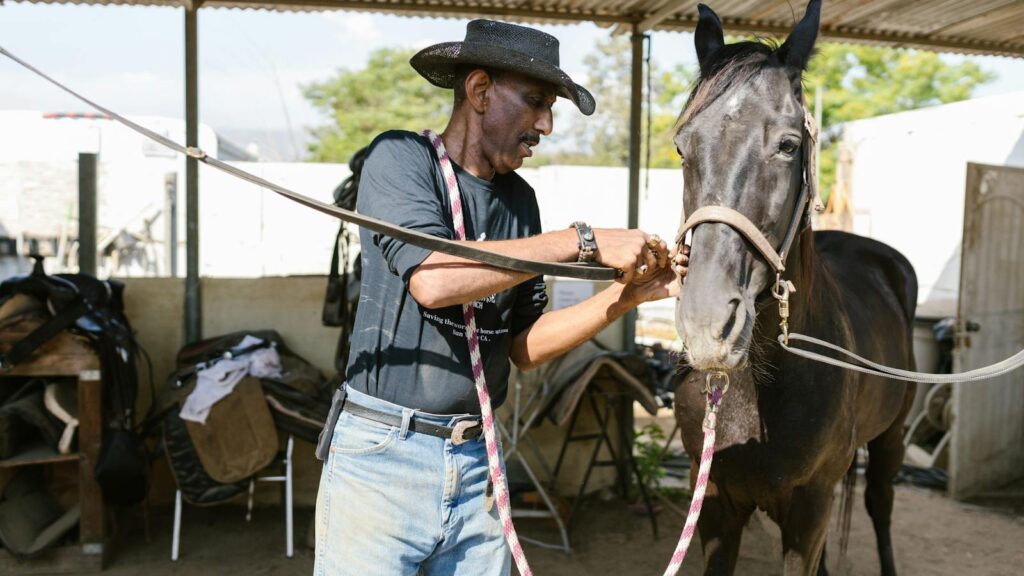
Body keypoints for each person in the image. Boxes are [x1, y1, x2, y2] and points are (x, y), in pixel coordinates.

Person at [314, 19, 688, 576]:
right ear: (481, 91)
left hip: (475, 459)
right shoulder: (399, 159)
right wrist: (579, 242)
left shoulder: (519, 202)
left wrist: (626, 298)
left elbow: (522, 348)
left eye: (550, 107)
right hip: (382, 458)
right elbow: (434, 281)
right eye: (537, 101)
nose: (547, 124)